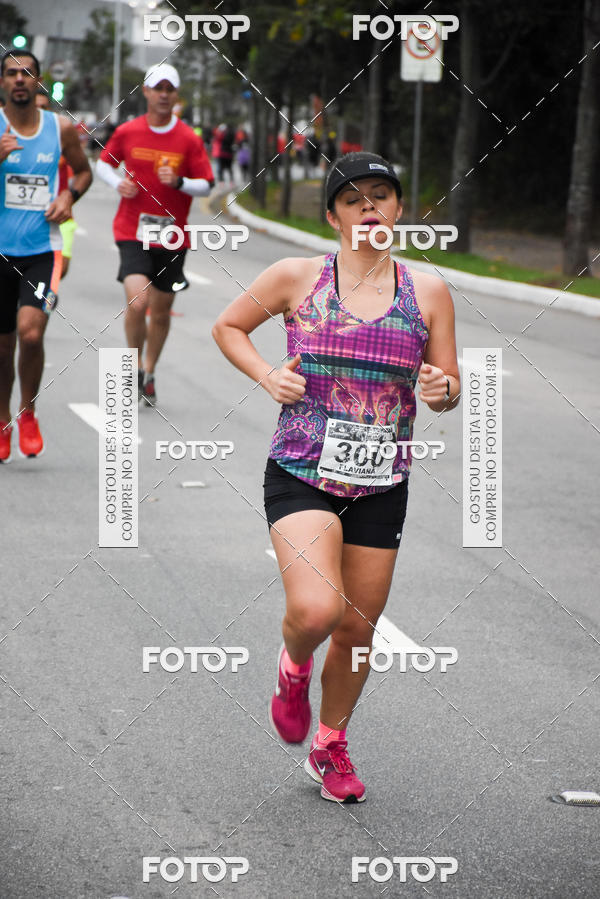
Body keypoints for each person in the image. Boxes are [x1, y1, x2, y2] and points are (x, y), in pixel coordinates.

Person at [212, 151, 460, 803]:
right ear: (333, 216)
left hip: (382, 480)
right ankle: (293, 665)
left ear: (399, 209)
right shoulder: (297, 277)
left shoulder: (427, 290)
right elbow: (228, 326)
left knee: (355, 628)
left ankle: (329, 746)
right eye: (355, 199)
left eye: (382, 195)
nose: (370, 206)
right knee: (318, 610)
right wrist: (267, 374)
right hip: (301, 468)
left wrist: (441, 389)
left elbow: (449, 383)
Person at [96, 63, 214, 406]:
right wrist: (117, 182)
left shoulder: (188, 139)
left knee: (161, 312)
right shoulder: (129, 131)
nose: (163, 94)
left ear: (175, 95)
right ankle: (132, 366)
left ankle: (148, 371)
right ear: (145, 91)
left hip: (172, 237)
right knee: (139, 300)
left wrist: (178, 183)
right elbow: (103, 162)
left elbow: (207, 186)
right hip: (132, 229)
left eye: (169, 89)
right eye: (157, 88)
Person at [0, 50, 92, 462]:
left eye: (27, 73)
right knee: (2, 346)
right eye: (11, 73)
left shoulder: (59, 128)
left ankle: (29, 412)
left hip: (43, 249)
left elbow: (83, 171)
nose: (19, 79)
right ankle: (2, 418)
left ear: (39, 83)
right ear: (3, 82)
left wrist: (69, 195)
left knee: (30, 333)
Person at [35, 90, 76, 279]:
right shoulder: (12, 137)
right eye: (35, 107)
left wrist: (69, 195)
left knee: (60, 270)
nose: (39, 111)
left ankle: (43, 299)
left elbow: (82, 173)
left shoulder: (61, 137)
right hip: (23, 218)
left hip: (59, 217)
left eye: (43, 107)